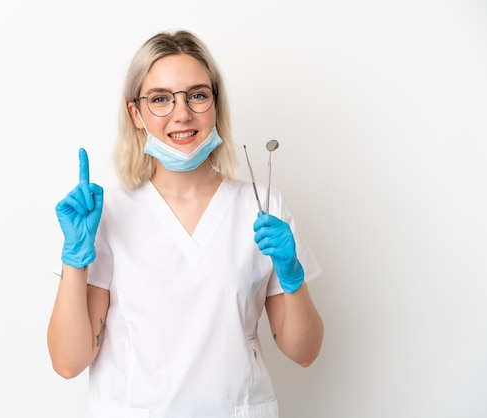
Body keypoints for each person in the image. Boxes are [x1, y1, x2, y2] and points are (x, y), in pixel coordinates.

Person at [47, 29, 324, 418]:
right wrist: (74, 260)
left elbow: (305, 352)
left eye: (197, 95)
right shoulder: (107, 213)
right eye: (160, 99)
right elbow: (68, 362)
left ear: (215, 104)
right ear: (136, 114)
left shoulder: (261, 207)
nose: (182, 114)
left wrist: (291, 276)